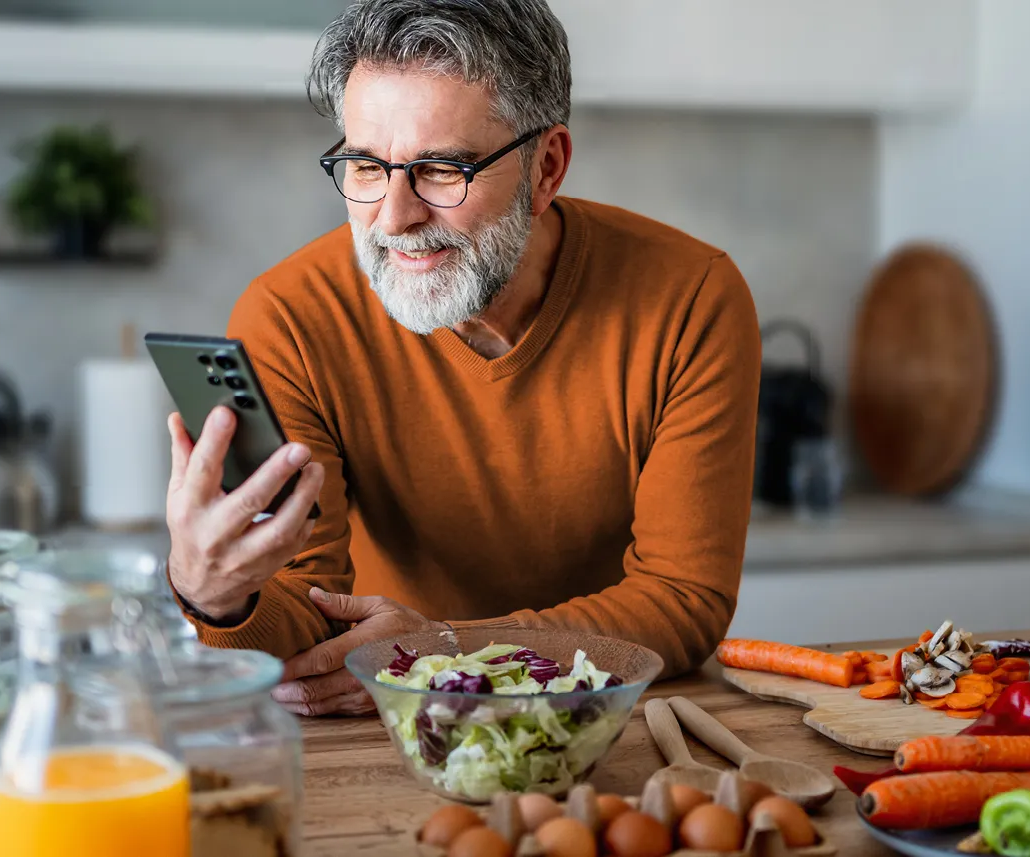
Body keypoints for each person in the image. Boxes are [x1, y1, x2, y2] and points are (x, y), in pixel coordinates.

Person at [163, 0, 762, 716]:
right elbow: (303, 613)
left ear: (547, 167)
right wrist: (218, 597)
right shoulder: (289, 318)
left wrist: (444, 650)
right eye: (364, 166)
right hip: (387, 729)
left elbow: (683, 599)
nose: (393, 218)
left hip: (607, 723)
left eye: (442, 170)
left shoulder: (690, 298)